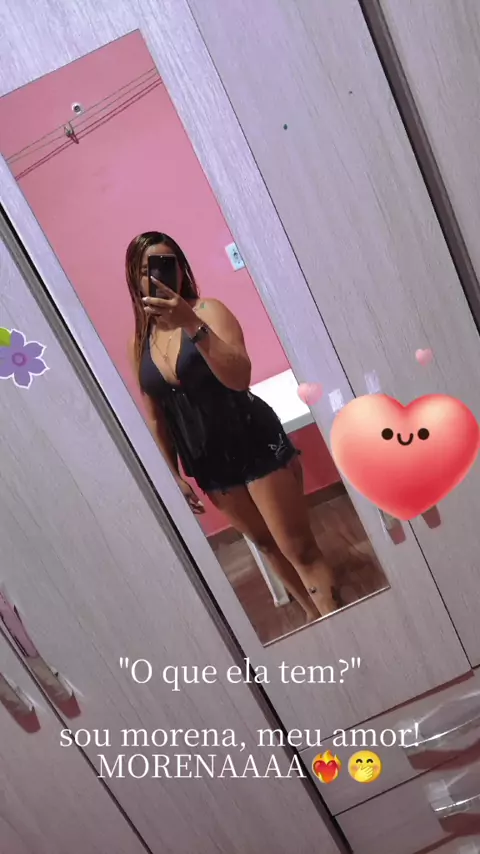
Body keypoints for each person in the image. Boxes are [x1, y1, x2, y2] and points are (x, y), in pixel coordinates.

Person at [126, 231, 341, 622]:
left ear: (181, 268)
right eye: (146, 269)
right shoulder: (139, 342)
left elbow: (240, 378)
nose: (157, 275)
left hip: (253, 441)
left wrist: (190, 323)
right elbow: (156, 415)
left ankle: (342, 622)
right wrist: (173, 475)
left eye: (166, 264)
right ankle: (317, 619)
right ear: (133, 277)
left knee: (298, 548)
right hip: (208, 463)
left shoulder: (209, 311)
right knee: (266, 545)